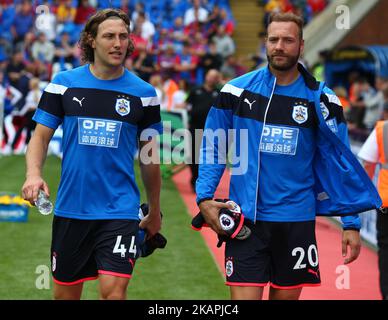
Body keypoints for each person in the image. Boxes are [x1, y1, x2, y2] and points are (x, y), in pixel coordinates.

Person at [195, 12, 381, 300]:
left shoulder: (322, 100)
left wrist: (351, 223)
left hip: (296, 222)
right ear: (265, 43)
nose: (279, 46)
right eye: (273, 39)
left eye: (287, 40)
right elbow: (213, 146)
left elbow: (340, 163)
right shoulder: (236, 90)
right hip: (246, 220)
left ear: (301, 45)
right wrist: (205, 197)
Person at [21, 9, 162, 300]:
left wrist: (155, 210)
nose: (118, 43)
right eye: (109, 36)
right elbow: (40, 137)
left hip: (120, 209)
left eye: (123, 36)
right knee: (65, 297)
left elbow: (150, 158)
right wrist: (34, 174)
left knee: (113, 292)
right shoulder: (63, 84)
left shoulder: (144, 94)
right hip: (72, 207)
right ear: (91, 41)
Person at [358, 105, 388, 300]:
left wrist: (366, 194)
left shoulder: (382, 129)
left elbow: (367, 163)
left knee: (386, 250)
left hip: (386, 202)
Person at [185, 68, 221, 190]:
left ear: (217, 79)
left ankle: (204, 182)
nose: (211, 78)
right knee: (193, 156)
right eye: (209, 76)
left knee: (209, 157)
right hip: (195, 127)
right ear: (206, 76)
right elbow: (187, 105)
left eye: (214, 76)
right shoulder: (196, 90)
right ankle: (194, 178)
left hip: (212, 130)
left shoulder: (219, 93)